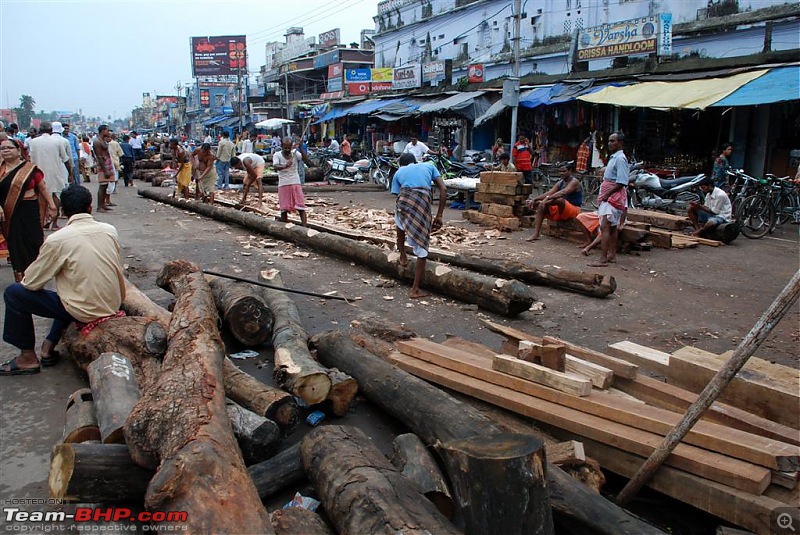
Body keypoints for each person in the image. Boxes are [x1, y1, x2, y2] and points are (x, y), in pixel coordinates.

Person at [1, 184, 125, 375]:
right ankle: (48, 345)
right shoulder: (109, 230)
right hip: (112, 302)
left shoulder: (58, 239)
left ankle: (27, 357)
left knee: (14, 293)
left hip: (85, 308)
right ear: (90, 207)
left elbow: (32, 282)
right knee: (69, 290)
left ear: (63, 211)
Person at [0, 138, 57, 282]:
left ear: (18, 150)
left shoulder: (30, 169)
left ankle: (35, 277)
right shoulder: (1, 170)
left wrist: (52, 206)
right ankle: (21, 278)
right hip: (9, 213)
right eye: (2, 148)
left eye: (9, 148)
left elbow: (43, 187)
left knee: (34, 242)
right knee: (15, 245)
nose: (5, 150)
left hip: (29, 210)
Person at [392, 152, 447, 299]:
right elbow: (443, 189)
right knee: (422, 244)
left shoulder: (399, 171)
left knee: (400, 222)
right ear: (415, 161)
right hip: (421, 203)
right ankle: (415, 289)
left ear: (401, 164)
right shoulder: (429, 165)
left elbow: (397, 195)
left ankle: (402, 255)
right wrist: (439, 215)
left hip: (403, 201)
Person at [589, 132, 628, 267]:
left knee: (605, 226)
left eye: (613, 141)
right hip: (610, 195)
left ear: (620, 143)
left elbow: (622, 181)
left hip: (613, 197)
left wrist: (607, 194)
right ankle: (612, 255)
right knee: (611, 228)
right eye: (609, 141)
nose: (610, 143)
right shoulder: (614, 158)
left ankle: (603, 258)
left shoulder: (620, 159)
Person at [525, 162, 583, 241]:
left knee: (558, 199)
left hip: (574, 210)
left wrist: (547, 199)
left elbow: (564, 192)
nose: (562, 173)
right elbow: (550, 192)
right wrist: (535, 199)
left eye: (564, 171)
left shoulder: (574, 182)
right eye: (560, 171)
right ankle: (536, 233)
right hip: (561, 209)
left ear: (570, 171)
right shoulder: (560, 182)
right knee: (541, 205)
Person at [29, 121, 71, 229]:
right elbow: (65, 159)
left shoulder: (33, 142)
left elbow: (30, 159)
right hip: (55, 173)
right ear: (51, 130)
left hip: (37, 174)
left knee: (40, 200)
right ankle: (54, 222)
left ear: (40, 130)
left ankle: (41, 223)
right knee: (55, 196)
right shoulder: (57, 142)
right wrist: (70, 174)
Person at [271, 137, 310, 224]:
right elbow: (275, 166)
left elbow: (306, 159)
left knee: (301, 207)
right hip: (283, 183)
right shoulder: (277, 155)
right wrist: (285, 166)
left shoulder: (295, 153)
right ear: (281, 146)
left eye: (289, 147)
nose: (287, 149)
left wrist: (300, 147)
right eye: (285, 147)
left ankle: (304, 227)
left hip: (295, 182)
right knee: (284, 208)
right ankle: (285, 227)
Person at [93, 125, 115, 212]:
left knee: (105, 185)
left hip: (107, 163)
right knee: (102, 186)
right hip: (103, 164)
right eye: (107, 130)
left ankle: (103, 204)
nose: (108, 132)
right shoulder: (97, 141)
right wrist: (105, 169)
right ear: (103, 131)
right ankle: (99, 206)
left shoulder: (102, 140)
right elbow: (99, 157)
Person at [108, 132, 124, 200]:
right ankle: (114, 189)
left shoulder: (106, 143)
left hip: (107, 161)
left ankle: (109, 189)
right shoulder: (116, 143)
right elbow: (120, 153)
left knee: (109, 176)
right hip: (115, 161)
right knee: (115, 175)